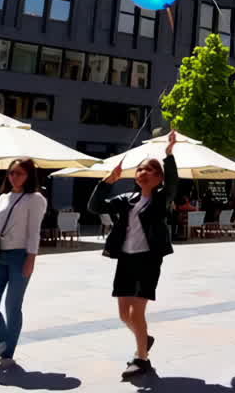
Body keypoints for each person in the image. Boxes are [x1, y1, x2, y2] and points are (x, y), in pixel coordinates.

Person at [89, 133, 179, 378]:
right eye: (140, 169)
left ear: (158, 178)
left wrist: (168, 154)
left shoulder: (161, 200)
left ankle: (142, 358)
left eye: (151, 170)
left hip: (148, 260)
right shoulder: (125, 199)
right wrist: (107, 182)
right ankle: (144, 338)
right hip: (126, 259)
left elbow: (173, 184)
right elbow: (95, 207)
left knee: (136, 313)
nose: (144, 172)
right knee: (123, 315)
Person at [0, 158, 47, 369]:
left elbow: (34, 232)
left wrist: (31, 259)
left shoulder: (35, 199)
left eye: (19, 173)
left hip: (20, 256)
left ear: (29, 176)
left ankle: (8, 352)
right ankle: (4, 339)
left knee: (12, 306)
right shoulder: (2, 198)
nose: (14, 177)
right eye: (11, 173)